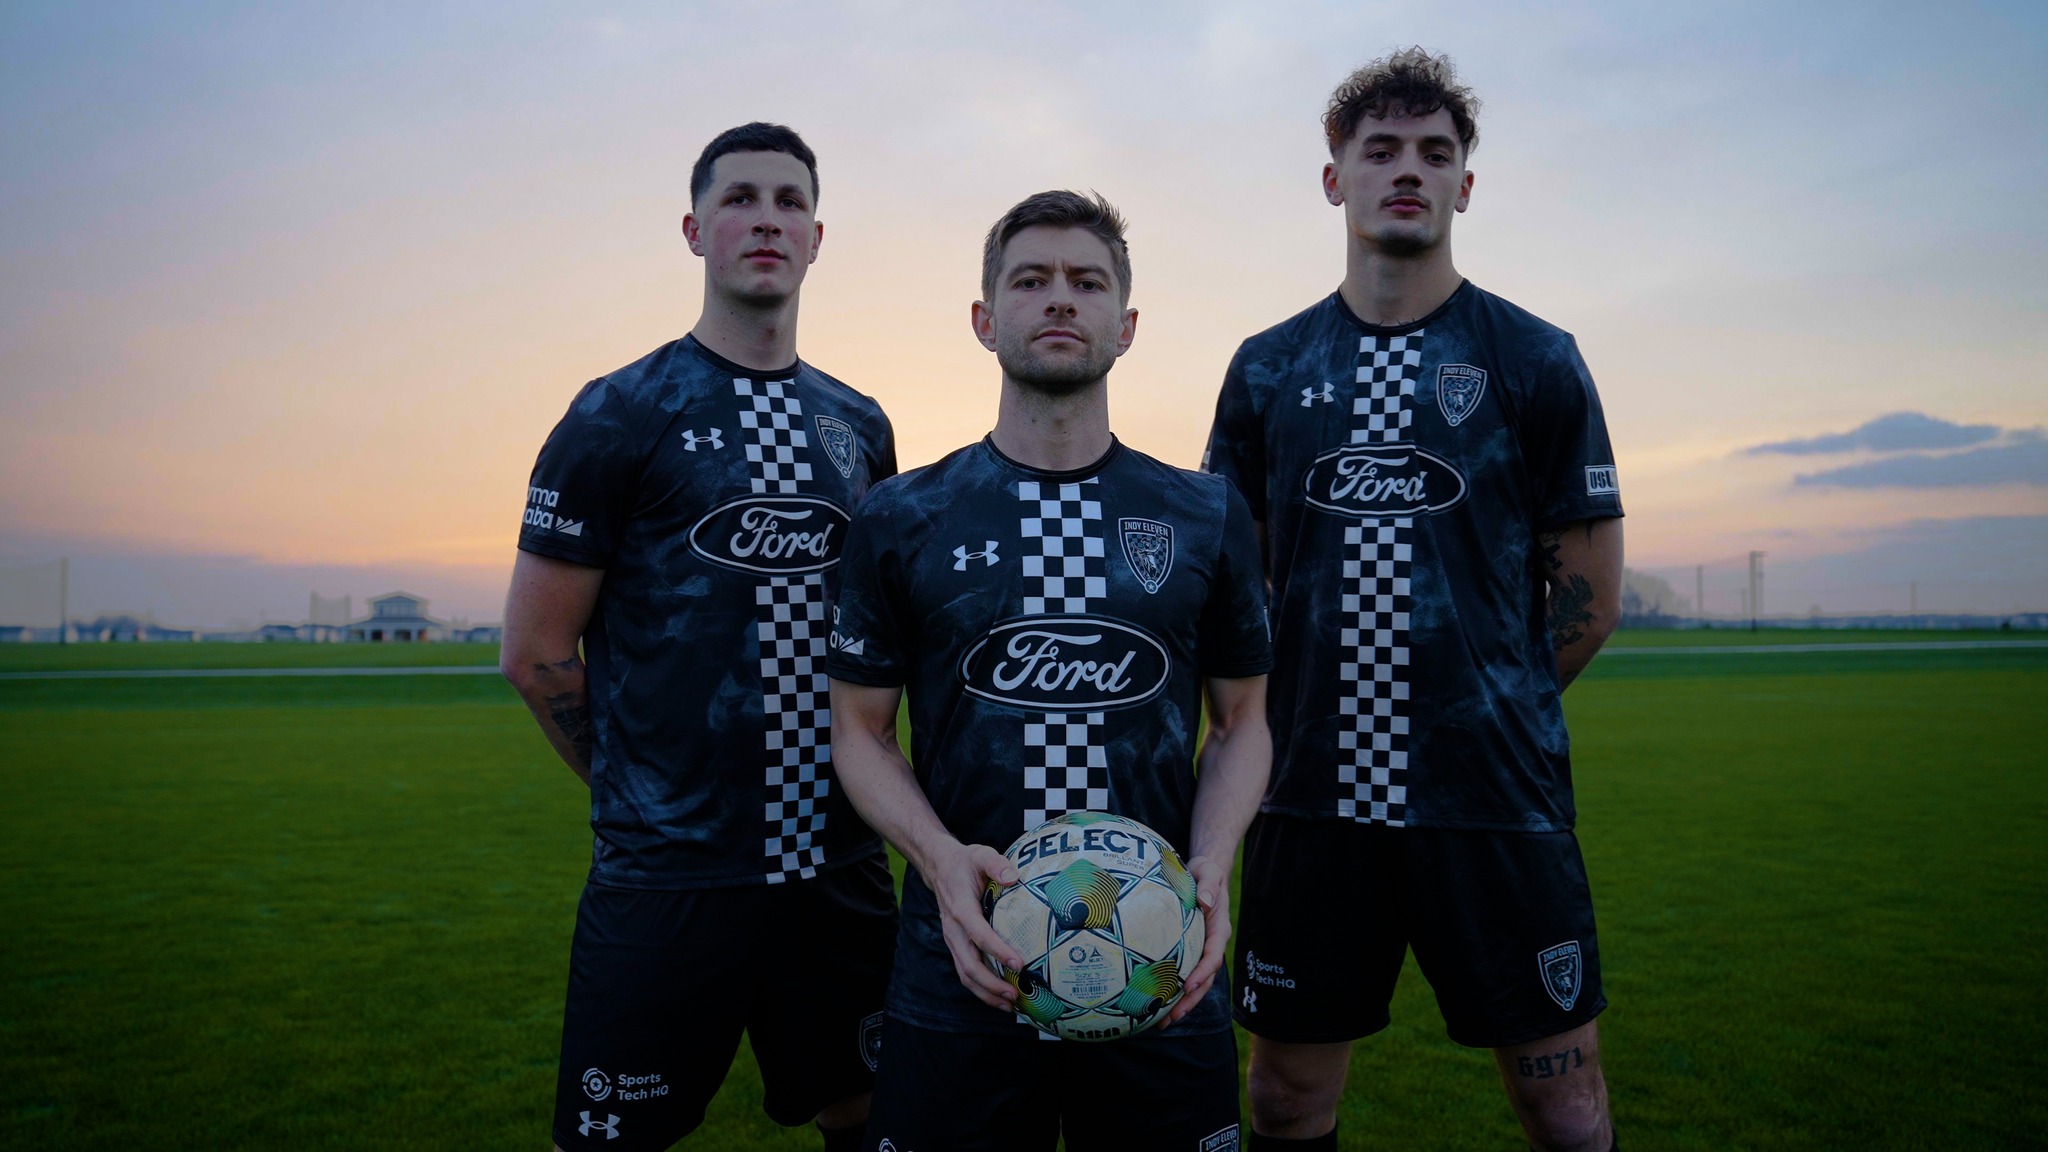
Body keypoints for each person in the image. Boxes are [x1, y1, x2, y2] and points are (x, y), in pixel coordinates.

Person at [1202, 49, 1627, 1152]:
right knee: (1283, 1099)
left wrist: (1483, 704)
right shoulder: (1267, 369)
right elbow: (1232, 593)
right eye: (1380, 149)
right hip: (1308, 797)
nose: (1408, 170)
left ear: (1464, 187)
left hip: (1492, 797)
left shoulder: (1534, 359)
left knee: (1564, 1104)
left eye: (1435, 154)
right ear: (1333, 179)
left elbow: (1589, 598)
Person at [828, 190, 1274, 1152]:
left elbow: (1243, 722)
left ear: (1127, 325)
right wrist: (939, 862)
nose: (1060, 298)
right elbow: (857, 731)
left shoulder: (1204, 513)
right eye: (1030, 280)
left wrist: (1213, 860)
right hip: (963, 953)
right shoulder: (904, 515)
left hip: (1159, 950)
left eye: (1088, 282)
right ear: (985, 320)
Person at [501, 122, 899, 1152]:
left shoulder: (859, 425)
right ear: (693, 230)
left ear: (816, 238)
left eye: (788, 202)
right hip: (667, 878)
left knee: (872, 1115)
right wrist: (639, 789)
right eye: (739, 199)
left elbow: (880, 644)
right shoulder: (618, 413)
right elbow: (536, 653)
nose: (766, 219)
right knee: (611, 1136)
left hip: (836, 865)